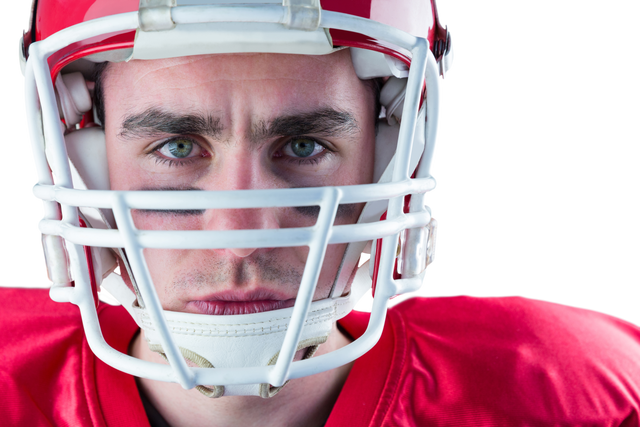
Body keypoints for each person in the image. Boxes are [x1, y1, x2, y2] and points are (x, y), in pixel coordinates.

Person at [3, 0, 639, 426]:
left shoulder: (573, 392)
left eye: (304, 146)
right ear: (85, 158)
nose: (241, 242)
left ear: (386, 158)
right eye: (176, 148)